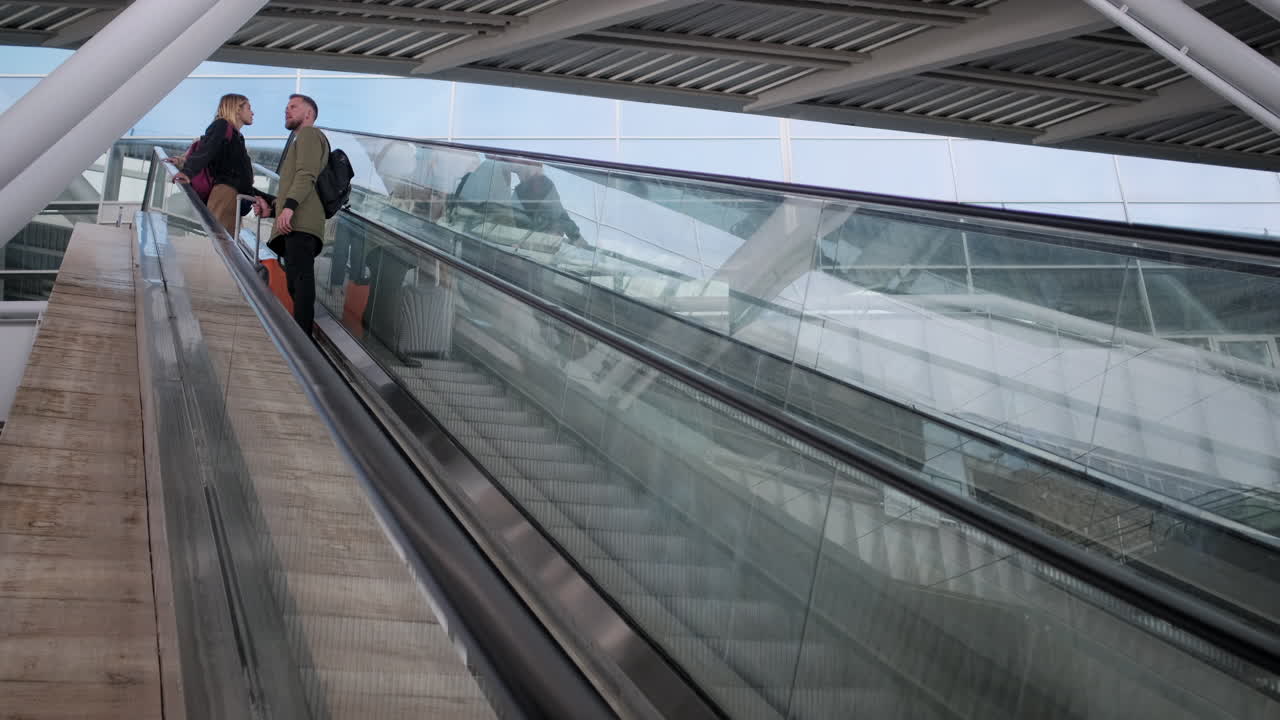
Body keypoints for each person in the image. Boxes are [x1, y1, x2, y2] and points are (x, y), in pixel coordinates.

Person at [253, 94, 330, 335]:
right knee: (295, 282)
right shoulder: (302, 141)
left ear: (308, 114)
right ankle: (302, 336)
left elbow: (306, 174)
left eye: (294, 107)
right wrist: (273, 209)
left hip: (301, 223)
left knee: (300, 281)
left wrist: (288, 208)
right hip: (298, 221)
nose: (287, 111)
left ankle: (303, 340)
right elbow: (298, 183)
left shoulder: (309, 134)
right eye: (286, 107)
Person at [173, 93, 264, 232]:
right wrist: (187, 171)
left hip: (233, 198)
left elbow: (239, 176)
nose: (253, 112)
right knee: (222, 242)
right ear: (237, 110)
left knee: (227, 244)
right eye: (249, 108)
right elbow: (207, 149)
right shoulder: (222, 125)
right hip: (225, 195)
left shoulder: (238, 137)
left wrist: (269, 199)